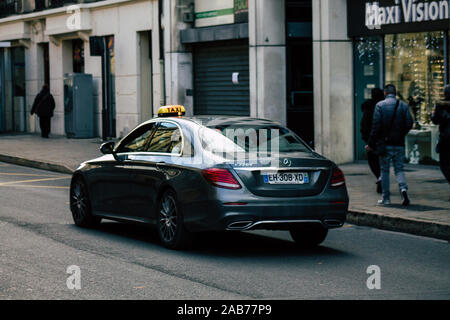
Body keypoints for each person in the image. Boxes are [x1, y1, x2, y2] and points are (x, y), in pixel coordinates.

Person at [366, 84, 414, 206]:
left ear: (385, 93)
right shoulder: (403, 105)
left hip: (384, 144)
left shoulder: (380, 105)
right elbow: (409, 123)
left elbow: (376, 126)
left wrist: (371, 143)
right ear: (396, 92)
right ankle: (403, 189)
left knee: (385, 170)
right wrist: (401, 134)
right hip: (399, 143)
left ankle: (386, 198)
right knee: (399, 169)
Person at [360, 88, 385, 194]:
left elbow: (364, 123)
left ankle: (380, 177)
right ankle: (381, 178)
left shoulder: (368, 107)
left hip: (371, 138)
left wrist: (365, 137)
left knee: (372, 159)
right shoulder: (383, 106)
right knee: (382, 160)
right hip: (382, 137)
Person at [432, 85, 450, 196]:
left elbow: (435, 120)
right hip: (446, 138)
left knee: (444, 164)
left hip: (446, 139)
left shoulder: (441, 106)